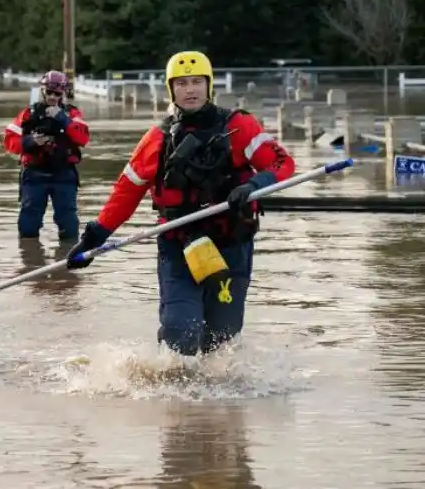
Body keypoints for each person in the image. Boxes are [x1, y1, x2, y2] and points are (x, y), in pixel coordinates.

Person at [67, 51, 295, 356]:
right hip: (180, 246)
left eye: (197, 82)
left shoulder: (241, 126)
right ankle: (172, 395)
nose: (191, 90)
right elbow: (125, 194)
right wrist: (92, 239)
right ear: (171, 89)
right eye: (183, 83)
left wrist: (254, 185)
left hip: (231, 243)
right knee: (181, 335)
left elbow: (282, 163)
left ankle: (212, 403)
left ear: (209, 85)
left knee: (222, 340)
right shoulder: (156, 139)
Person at [3, 70, 90, 240]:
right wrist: (31, 141)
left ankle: (68, 259)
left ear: (63, 94)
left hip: (63, 173)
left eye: (57, 93)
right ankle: (30, 261)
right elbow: (9, 141)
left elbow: (83, 138)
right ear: (42, 91)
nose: (52, 97)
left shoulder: (72, 115)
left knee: (69, 224)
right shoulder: (28, 114)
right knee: (28, 224)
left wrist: (63, 119)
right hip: (35, 174)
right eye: (49, 92)